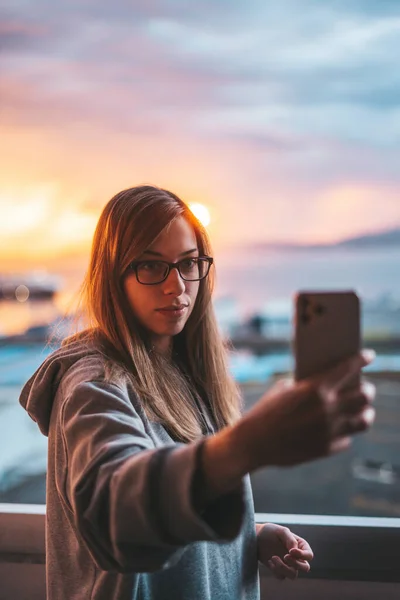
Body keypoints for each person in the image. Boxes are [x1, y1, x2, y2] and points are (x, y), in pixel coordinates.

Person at [20, 185, 376, 600]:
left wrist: (247, 537)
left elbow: (176, 504)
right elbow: (115, 512)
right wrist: (250, 442)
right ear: (113, 275)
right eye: (151, 266)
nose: (176, 286)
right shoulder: (94, 384)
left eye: (188, 263)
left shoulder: (187, 371)